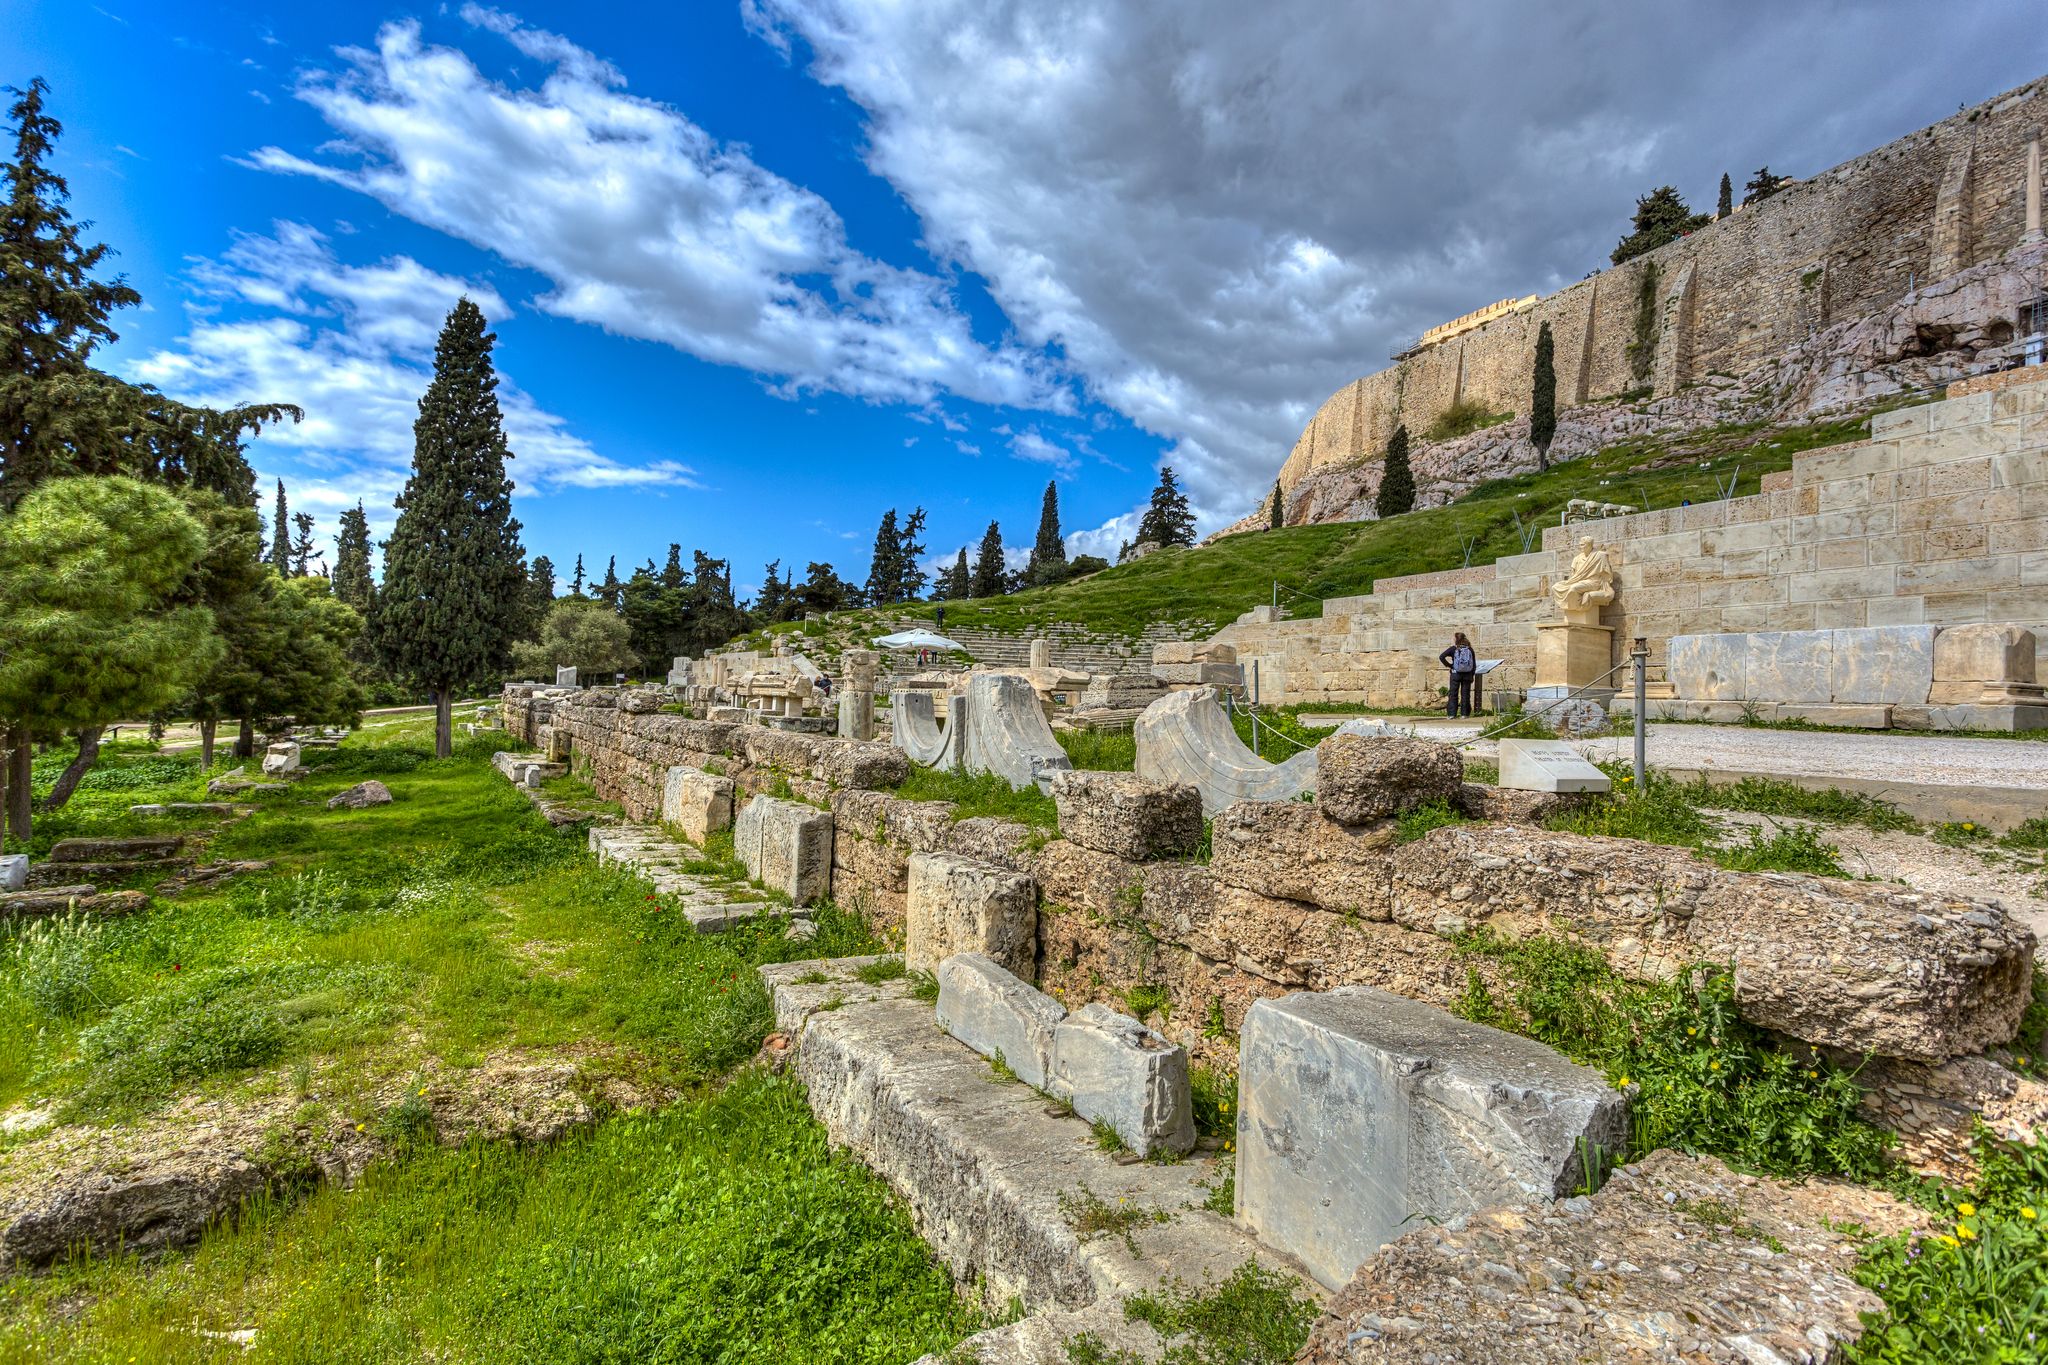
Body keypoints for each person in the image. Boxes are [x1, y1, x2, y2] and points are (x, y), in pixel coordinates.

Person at [1439, 632, 1477, 718]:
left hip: (1456, 674)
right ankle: (1465, 714)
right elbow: (1474, 663)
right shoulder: (1470, 649)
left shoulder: (1453, 649)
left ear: (1456, 639)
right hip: (1467, 675)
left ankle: (1452, 714)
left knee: (1453, 693)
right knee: (1465, 694)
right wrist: (1472, 674)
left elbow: (1441, 657)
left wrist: (1450, 666)